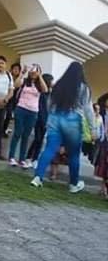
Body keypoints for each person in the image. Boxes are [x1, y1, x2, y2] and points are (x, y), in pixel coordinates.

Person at [31, 61, 96, 193]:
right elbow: (88, 109)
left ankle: (38, 177)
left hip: (56, 118)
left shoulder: (59, 85)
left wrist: (51, 117)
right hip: (73, 120)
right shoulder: (84, 88)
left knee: (49, 149)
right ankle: (73, 184)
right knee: (73, 154)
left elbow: (50, 103)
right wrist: (93, 129)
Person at [8, 65, 48, 167]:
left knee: (26, 135)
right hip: (21, 108)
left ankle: (22, 159)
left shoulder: (39, 84)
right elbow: (16, 85)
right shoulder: (25, 81)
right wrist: (22, 73)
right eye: (32, 71)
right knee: (17, 132)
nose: (34, 73)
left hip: (33, 111)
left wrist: (40, 76)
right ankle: (11, 157)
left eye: (36, 71)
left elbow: (45, 90)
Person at [2, 61, 23, 138]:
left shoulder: (20, 79)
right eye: (14, 69)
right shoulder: (7, 77)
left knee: (8, 115)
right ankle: (0, 130)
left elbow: (16, 85)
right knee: (2, 115)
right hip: (5, 97)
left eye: (18, 69)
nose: (16, 70)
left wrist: (21, 75)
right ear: (11, 69)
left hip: (12, 100)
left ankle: (3, 130)